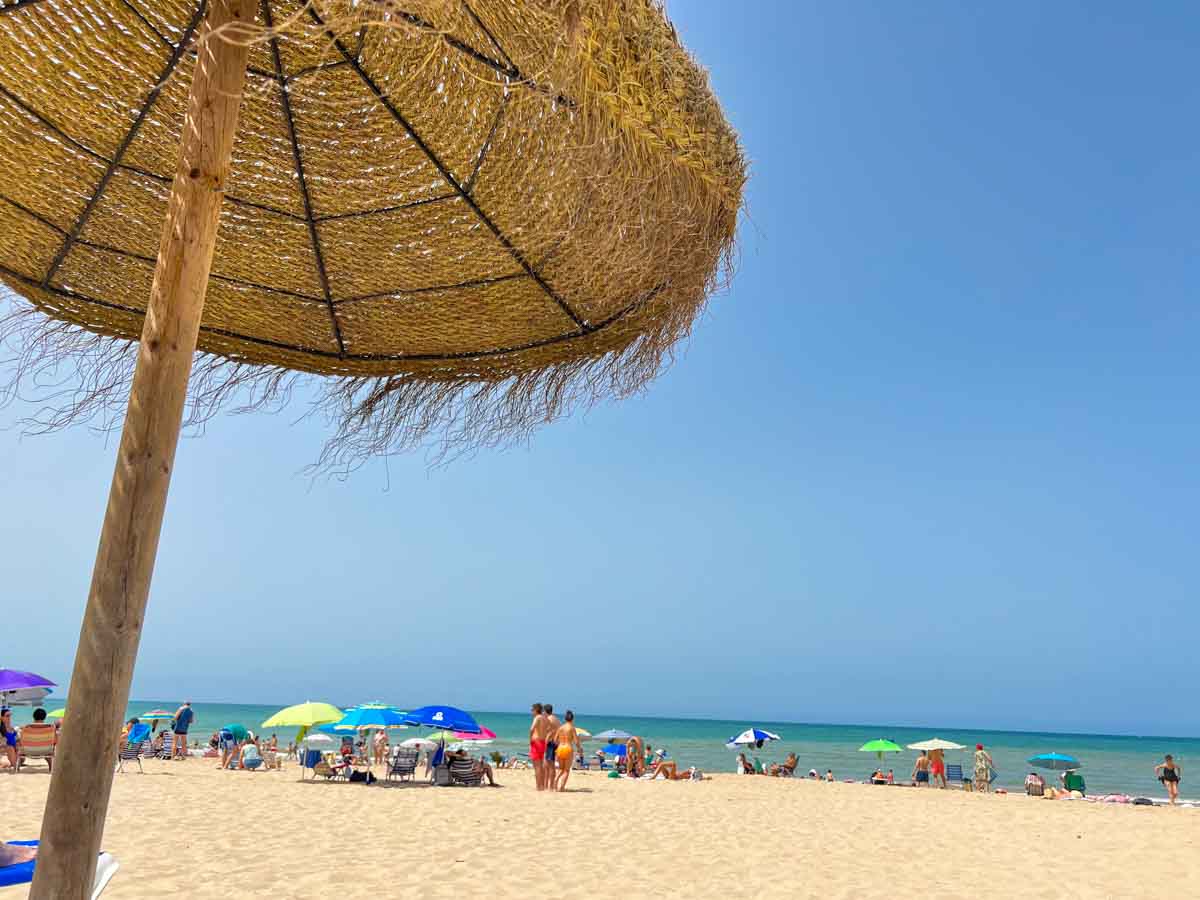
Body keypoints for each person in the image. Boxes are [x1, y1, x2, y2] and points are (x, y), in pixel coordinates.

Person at [552, 710, 583, 791]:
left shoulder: (560, 728)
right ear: (572, 719)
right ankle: (561, 787)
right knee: (566, 770)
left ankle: (555, 782)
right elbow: (576, 741)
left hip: (560, 748)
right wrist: (580, 749)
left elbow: (555, 740)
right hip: (568, 748)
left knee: (560, 769)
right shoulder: (572, 728)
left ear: (565, 719)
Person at [20, 708, 57, 772]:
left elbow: (21, 740)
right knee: (50, 749)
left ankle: (17, 767)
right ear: (44, 717)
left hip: (28, 751)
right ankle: (51, 767)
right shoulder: (50, 728)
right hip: (46, 751)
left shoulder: (26, 727)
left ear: (34, 717)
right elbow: (55, 741)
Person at [529, 703, 551, 791]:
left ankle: (539, 787)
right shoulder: (545, 719)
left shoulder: (537, 717)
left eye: (532, 710)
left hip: (536, 742)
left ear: (535, 710)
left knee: (537, 766)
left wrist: (530, 739)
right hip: (543, 742)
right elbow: (548, 729)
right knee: (541, 765)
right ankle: (542, 785)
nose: (531, 712)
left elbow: (531, 729)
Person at [543, 704, 560, 778]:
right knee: (550, 764)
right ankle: (550, 784)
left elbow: (549, 733)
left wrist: (544, 744)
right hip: (556, 742)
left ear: (545, 711)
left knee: (549, 764)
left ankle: (550, 784)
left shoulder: (548, 719)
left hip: (550, 743)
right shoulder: (556, 719)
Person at [1, 708, 18, 772]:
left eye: (10, 716)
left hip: (13, 749)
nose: (9, 717)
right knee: (10, 747)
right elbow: (3, 742)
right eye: (7, 716)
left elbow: (17, 739)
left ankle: (12, 764)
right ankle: (15, 767)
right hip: (5, 748)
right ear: (2, 717)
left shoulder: (11, 728)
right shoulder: (1, 728)